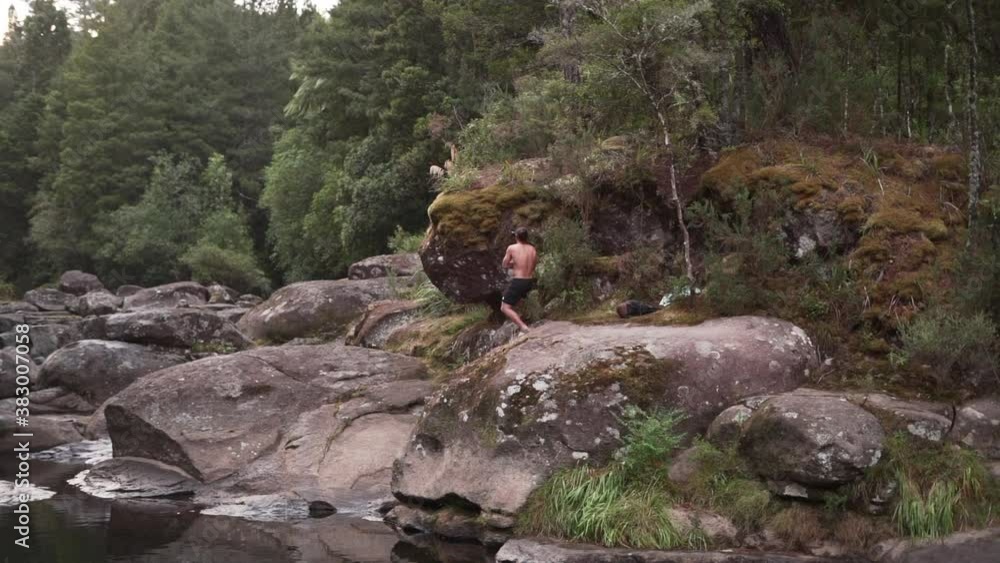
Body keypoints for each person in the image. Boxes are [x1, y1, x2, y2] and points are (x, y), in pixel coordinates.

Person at [500, 227, 538, 332]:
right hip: (529, 281)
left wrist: (514, 263)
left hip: (518, 281)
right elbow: (533, 265)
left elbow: (505, 264)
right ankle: (526, 321)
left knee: (505, 308)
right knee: (517, 302)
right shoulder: (532, 249)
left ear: (516, 236)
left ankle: (523, 327)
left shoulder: (512, 248)